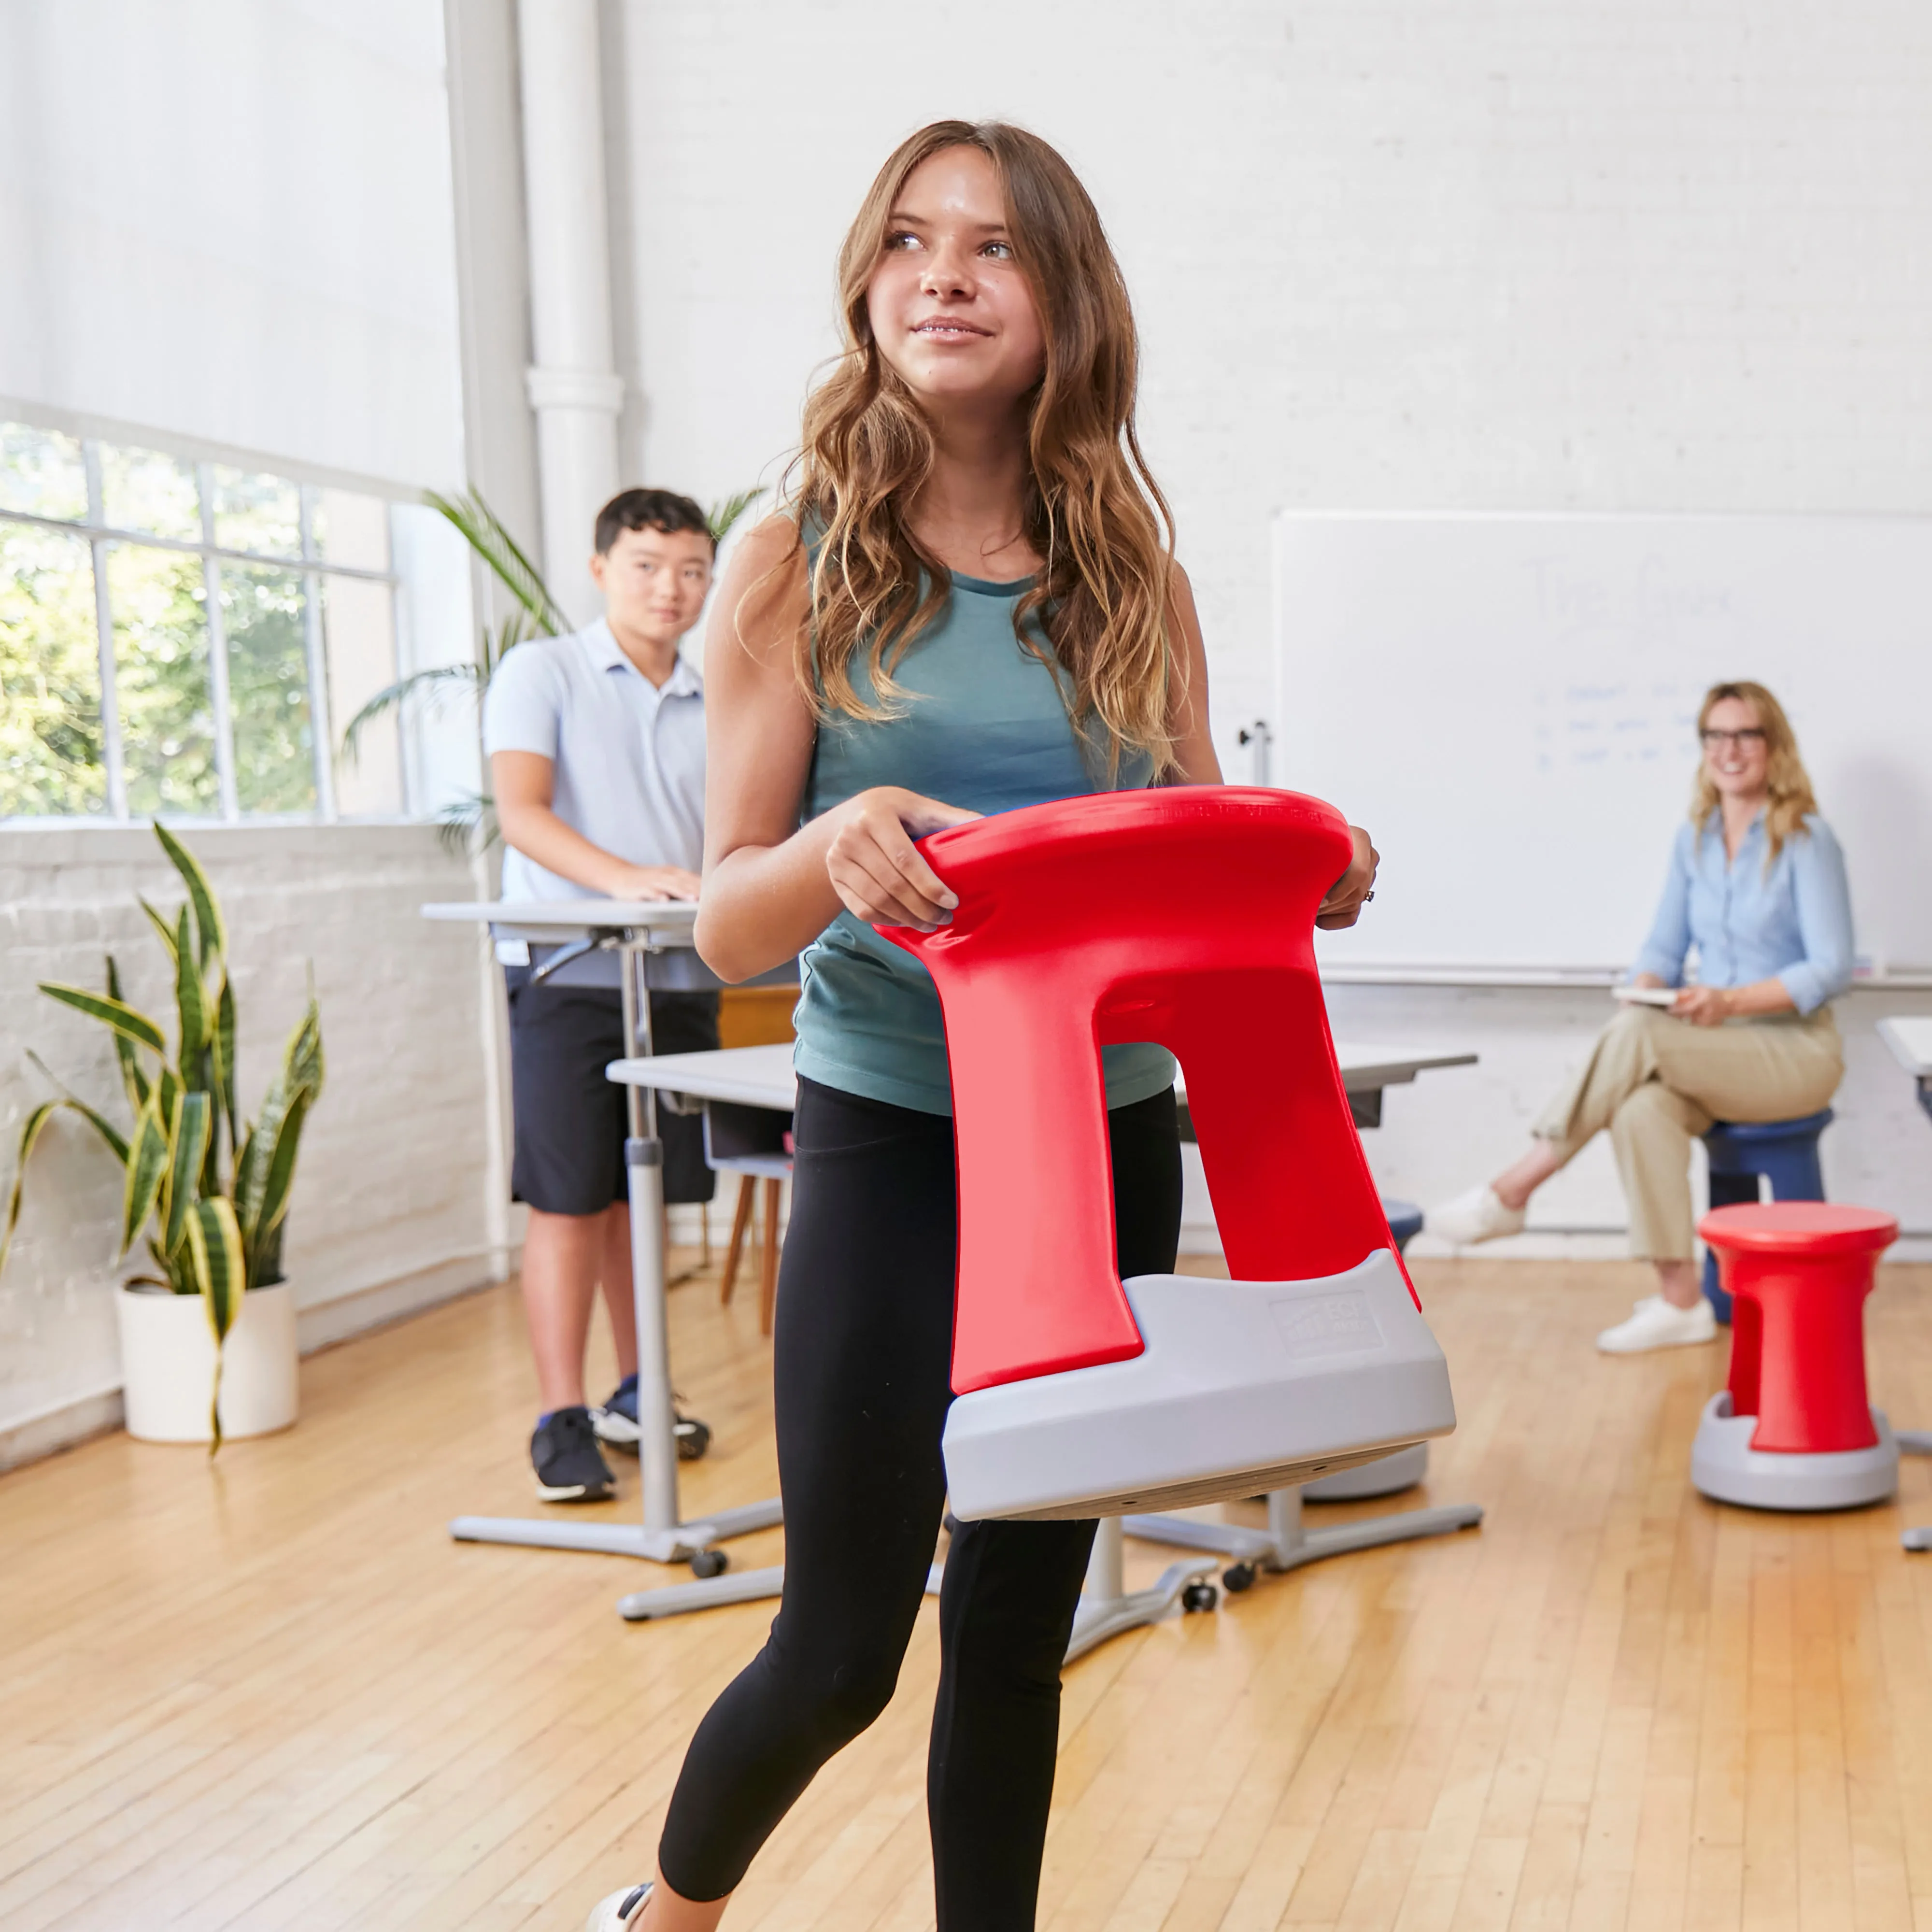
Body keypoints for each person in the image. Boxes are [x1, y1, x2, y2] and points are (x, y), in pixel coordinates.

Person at [582, 122, 1377, 1932]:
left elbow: (1185, 861)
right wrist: (832, 846)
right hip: (893, 1134)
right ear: (869, 289)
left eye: (995, 249)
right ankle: (671, 1912)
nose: (944, 273)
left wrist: (1297, 867)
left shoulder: (1135, 580)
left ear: (1063, 303)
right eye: (910, 242)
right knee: (846, 1646)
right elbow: (722, 912)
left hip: (1101, 1143)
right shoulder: (796, 562)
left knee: (1018, 1637)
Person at [1427, 680, 1853, 1353]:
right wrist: (1647, 984)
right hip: (1718, 1048)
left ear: (1773, 745)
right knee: (1639, 1107)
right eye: (1715, 735)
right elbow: (1662, 946)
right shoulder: (1698, 840)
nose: (1729, 750)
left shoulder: (1807, 838)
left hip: (1795, 1053)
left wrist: (1731, 1000)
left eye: (1745, 734)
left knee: (1639, 1039)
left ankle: (1514, 1187)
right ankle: (1681, 1299)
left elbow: (1831, 967)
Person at [482, 488, 722, 1504]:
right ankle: (559, 1414)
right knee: (571, 1194)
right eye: (646, 566)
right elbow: (520, 812)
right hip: (568, 968)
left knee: (645, 1190)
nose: (670, 589)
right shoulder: (545, 670)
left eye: (690, 571)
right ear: (600, 569)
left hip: (675, 968)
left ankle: (640, 1386)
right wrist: (622, 876)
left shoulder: (717, 696)